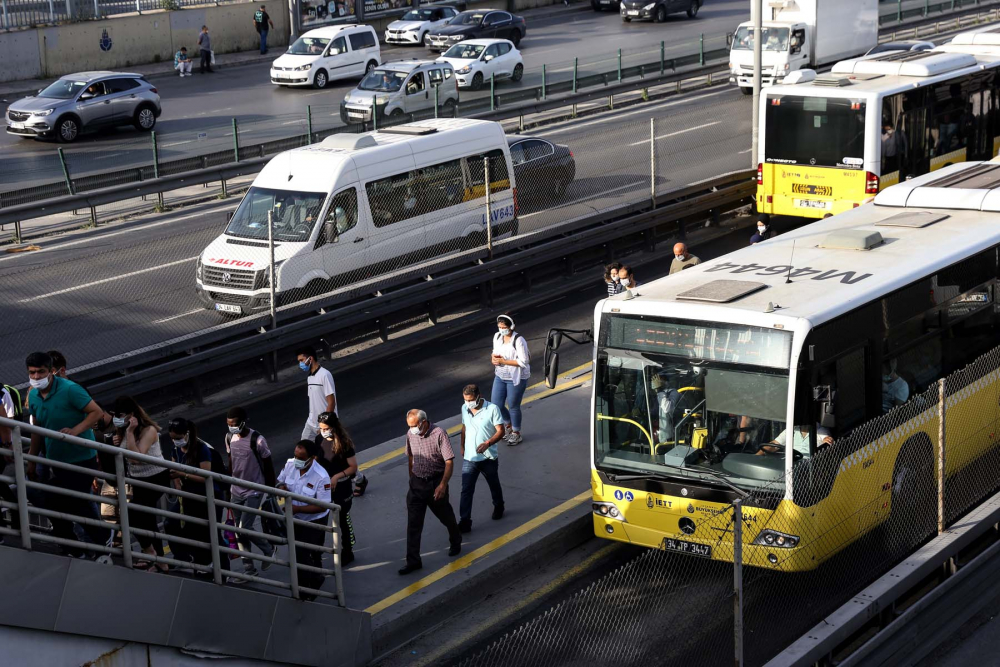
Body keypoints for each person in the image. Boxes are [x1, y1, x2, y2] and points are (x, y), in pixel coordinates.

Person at [24, 351, 113, 558]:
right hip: (57, 460)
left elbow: (97, 412)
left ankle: (98, 538)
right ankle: (74, 544)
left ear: (51, 371)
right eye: (32, 373)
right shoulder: (34, 396)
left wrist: (75, 431)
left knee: (71, 501)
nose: (36, 377)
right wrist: (31, 460)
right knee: (47, 497)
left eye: (41, 372)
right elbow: (37, 430)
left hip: (82, 458)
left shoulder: (71, 389)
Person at [110, 396, 170, 571]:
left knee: (134, 512)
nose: (118, 418)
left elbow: (137, 458)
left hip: (156, 477)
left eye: (122, 415)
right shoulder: (123, 430)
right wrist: (118, 438)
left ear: (132, 415)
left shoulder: (148, 430)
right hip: (138, 480)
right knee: (148, 519)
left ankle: (150, 552)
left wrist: (128, 433)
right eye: (116, 414)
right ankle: (160, 562)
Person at [163, 418, 229, 575]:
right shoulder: (176, 450)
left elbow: (206, 477)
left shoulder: (202, 449)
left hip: (209, 496)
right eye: (172, 438)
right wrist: (178, 484)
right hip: (189, 497)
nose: (175, 442)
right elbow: (175, 470)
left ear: (187, 434)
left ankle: (223, 570)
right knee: (172, 524)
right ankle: (191, 560)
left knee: (211, 533)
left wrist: (182, 474)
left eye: (178, 438)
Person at [400, 409, 462, 575]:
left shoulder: (439, 433)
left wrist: (442, 485)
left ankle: (456, 540)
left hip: (435, 483)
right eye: (410, 426)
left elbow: (449, 461)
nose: (412, 429)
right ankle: (413, 561)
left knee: (446, 516)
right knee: (413, 525)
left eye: (414, 426)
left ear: (424, 422)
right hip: (416, 485)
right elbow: (411, 456)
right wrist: (411, 477)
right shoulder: (410, 434)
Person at [224, 406, 277, 580]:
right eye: (229, 424)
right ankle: (248, 569)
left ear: (244, 422)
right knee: (239, 532)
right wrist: (229, 485)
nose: (232, 427)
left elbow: (268, 466)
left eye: (235, 424)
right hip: (236, 489)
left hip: (254, 489)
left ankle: (268, 549)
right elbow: (231, 461)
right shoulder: (229, 437)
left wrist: (270, 490)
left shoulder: (258, 440)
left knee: (244, 528)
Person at [276, 439, 332, 600]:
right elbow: (280, 480)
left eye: (301, 458)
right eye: (296, 456)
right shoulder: (290, 465)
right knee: (297, 553)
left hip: (314, 520)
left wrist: (298, 509)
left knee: (301, 552)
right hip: (294, 517)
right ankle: (302, 589)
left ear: (312, 458)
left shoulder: (321, 476)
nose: (297, 461)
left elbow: (323, 506)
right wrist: (282, 488)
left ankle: (315, 581)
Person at [458, 384, 505, 533]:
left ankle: (499, 506)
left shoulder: (492, 409)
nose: (468, 403)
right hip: (470, 458)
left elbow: (501, 431)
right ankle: (465, 521)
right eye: (465, 400)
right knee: (466, 490)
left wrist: (488, 443)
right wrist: (462, 446)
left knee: (493, 484)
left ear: (479, 396)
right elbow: (464, 427)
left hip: (488, 457)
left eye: (470, 400)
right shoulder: (464, 408)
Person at [315, 411, 357, 566]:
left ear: (333, 427)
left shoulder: (344, 443)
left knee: (343, 520)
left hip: (342, 487)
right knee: (320, 520)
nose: (323, 431)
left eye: (325, 428)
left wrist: (336, 477)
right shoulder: (319, 439)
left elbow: (353, 467)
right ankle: (317, 554)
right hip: (323, 487)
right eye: (320, 428)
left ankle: (348, 550)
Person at [491, 314, 531, 446]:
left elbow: (524, 361)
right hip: (500, 376)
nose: (502, 330)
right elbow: (494, 352)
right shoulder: (497, 337)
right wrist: (494, 359)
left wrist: (504, 361)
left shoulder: (519, 340)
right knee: (496, 404)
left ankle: (516, 433)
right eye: (499, 327)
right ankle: (507, 425)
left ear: (511, 327)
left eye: (504, 327)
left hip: (516, 377)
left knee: (513, 406)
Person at [758, 424, 833, 458]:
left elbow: (826, 439)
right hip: (790, 464)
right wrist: (756, 456)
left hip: (809, 467)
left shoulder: (820, 429)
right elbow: (774, 444)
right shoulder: (791, 429)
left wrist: (827, 439)